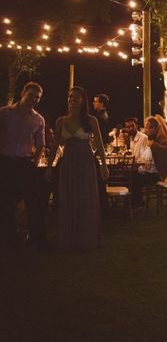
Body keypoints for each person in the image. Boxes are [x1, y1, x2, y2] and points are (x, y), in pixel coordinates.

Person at [47, 87, 108, 250]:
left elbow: (100, 145)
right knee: (68, 197)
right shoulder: (61, 121)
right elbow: (54, 146)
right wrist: (49, 167)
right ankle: (70, 238)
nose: (72, 99)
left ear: (83, 100)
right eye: (69, 97)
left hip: (85, 161)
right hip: (68, 162)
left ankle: (86, 238)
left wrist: (103, 165)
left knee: (85, 198)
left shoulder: (91, 120)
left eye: (75, 97)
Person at [0, 82, 47, 253]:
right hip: (5, 162)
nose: (34, 100)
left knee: (34, 201)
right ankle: (11, 240)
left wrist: (34, 163)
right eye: (31, 95)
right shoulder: (4, 114)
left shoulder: (38, 119)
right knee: (5, 202)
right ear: (23, 93)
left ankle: (38, 239)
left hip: (25, 163)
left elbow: (41, 144)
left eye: (37, 98)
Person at [144, 115, 167, 180]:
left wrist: (153, 145)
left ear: (154, 128)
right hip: (154, 170)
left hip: (160, 173)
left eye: (147, 128)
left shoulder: (162, 136)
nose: (145, 131)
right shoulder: (155, 136)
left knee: (136, 178)